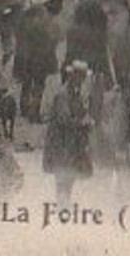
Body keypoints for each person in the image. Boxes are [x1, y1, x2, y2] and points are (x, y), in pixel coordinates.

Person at [43, 62, 94, 202]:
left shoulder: (75, 95)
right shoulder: (63, 95)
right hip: (61, 144)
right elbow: (64, 119)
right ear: (72, 77)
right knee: (62, 179)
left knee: (69, 178)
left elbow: (81, 112)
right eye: (80, 77)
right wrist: (82, 124)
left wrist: (87, 120)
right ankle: (62, 209)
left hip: (71, 144)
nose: (82, 81)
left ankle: (65, 207)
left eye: (83, 78)